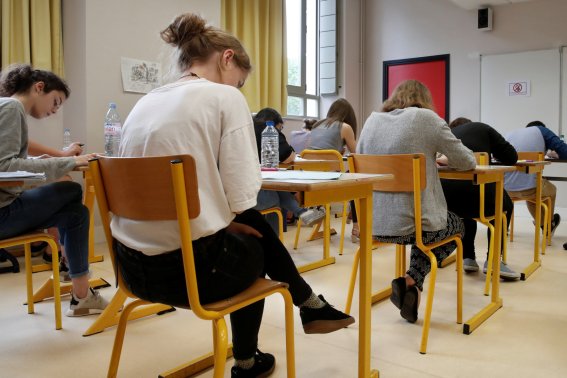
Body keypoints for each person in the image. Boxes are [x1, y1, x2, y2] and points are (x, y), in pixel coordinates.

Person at [112, 13, 354, 378]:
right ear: (227, 58)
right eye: (239, 82)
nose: (238, 90)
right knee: (257, 244)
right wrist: (230, 220)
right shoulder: (223, 97)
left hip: (129, 269)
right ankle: (250, 358)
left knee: (245, 230)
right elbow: (243, 197)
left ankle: (309, 303)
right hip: (192, 276)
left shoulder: (144, 104)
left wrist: (225, 220)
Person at [357, 80, 476, 323]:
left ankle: (412, 284)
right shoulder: (427, 118)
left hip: (374, 225)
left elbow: (357, 167)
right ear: (424, 100)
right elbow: (467, 162)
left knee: (426, 228)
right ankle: (410, 280)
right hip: (416, 226)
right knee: (455, 227)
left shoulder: (371, 121)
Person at [0, 63, 108, 316]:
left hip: (6, 209)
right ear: (39, 87)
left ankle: (81, 295)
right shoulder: (12, 107)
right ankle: (66, 264)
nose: (55, 110)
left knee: (77, 214)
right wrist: (70, 161)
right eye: (56, 101)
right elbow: (5, 167)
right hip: (3, 213)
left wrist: (56, 163)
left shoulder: (8, 108)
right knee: (70, 190)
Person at [442, 117, 520, 279]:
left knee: (467, 206)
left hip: (449, 203)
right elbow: (511, 157)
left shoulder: (449, 132)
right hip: (477, 196)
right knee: (504, 205)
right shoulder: (483, 128)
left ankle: (468, 257)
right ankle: (493, 260)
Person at [253, 108, 325, 232]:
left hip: (237, 190)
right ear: (275, 123)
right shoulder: (269, 130)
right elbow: (288, 157)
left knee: (274, 187)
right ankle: (301, 212)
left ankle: (302, 213)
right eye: (280, 128)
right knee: (275, 193)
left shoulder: (248, 127)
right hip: (254, 197)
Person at [308, 98, 359, 241]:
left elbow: (314, 150)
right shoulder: (345, 127)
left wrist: (336, 153)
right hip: (330, 180)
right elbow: (357, 153)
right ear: (348, 116)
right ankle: (356, 227)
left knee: (351, 178)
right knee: (360, 181)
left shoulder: (316, 125)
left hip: (310, 177)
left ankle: (321, 210)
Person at [504, 120, 566, 236]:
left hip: (505, 190)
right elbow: (564, 150)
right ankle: (548, 225)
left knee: (533, 188)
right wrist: (556, 153)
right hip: (529, 189)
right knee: (550, 190)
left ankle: (543, 224)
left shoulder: (510, 134)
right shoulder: (542, 130)